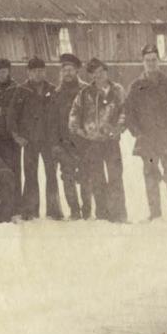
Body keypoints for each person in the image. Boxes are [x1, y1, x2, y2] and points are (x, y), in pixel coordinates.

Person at [124, 46, 167, 221]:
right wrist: (137, 133)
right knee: (150, 175)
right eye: (147, 60)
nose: (151, 63)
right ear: (143, 62)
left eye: (154, 60)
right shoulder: (136, 86)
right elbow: (129, 112)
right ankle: (155, 212)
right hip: (148, 140)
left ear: (159, 61)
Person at [71, 58, 127, 221]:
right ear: (90, 76)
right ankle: (102, 214)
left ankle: (118, 214)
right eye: (94, 73)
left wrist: (119, 128)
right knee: (97, 178)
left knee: (115, 177)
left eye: (101, 71)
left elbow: (125, 111)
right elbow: (74, 114)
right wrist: (81, 131)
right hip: (93, 143)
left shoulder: (117, 90)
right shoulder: (85, 93)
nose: (99, 76)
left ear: (106, 71)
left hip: (111, 142)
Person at [11, 56, 63, 219]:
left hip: (49, 141)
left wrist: (57, 140)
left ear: (45, 72)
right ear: (28, 72)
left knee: (51, 175)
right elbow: (12, 115)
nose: (38, 74)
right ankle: (30, 210)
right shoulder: (21, 90)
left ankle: (54, 211)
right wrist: (17, 135)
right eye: (34, 71)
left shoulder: (53, 89)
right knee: (30, 174)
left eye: (41, 71)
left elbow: (59, 116)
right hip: (30, 140)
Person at [49, 53, 87, 220]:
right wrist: (56, 143)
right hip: (64, 144)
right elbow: (52, 121)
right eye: (65, 70)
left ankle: (87, 209)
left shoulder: (86, 90)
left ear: (77, 71)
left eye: (71, 70)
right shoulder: (56, 93)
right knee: (68, 177)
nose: (68, 73)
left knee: (86, 176)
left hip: (84, 142)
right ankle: (74, 210)